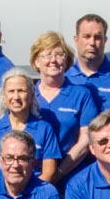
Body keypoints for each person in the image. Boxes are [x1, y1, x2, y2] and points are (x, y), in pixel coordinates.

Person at [31, 31, 100, 183]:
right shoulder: (27, 95)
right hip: (30, 178)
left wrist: (59, 172)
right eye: (47, 54)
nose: (53, 60)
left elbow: (85, 140)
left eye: (59, 54)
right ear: (37, 61)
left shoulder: (82, 95)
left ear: (67, 60)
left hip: (70, 177)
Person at [0, 68, 61, 184]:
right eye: (11, 91)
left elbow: (49, 172)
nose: (16, 97)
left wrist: (31, 192)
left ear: (31, 95)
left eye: (21, 91)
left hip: (34, 192)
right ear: (4, 96)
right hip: (0, 192)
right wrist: (2, 191)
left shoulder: (45, 129)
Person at [66, 13, 110, 111]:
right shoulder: (63, 77)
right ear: (76, 40)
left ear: (105, 40)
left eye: (97, 37)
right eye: (87, 36)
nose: (92, 43)